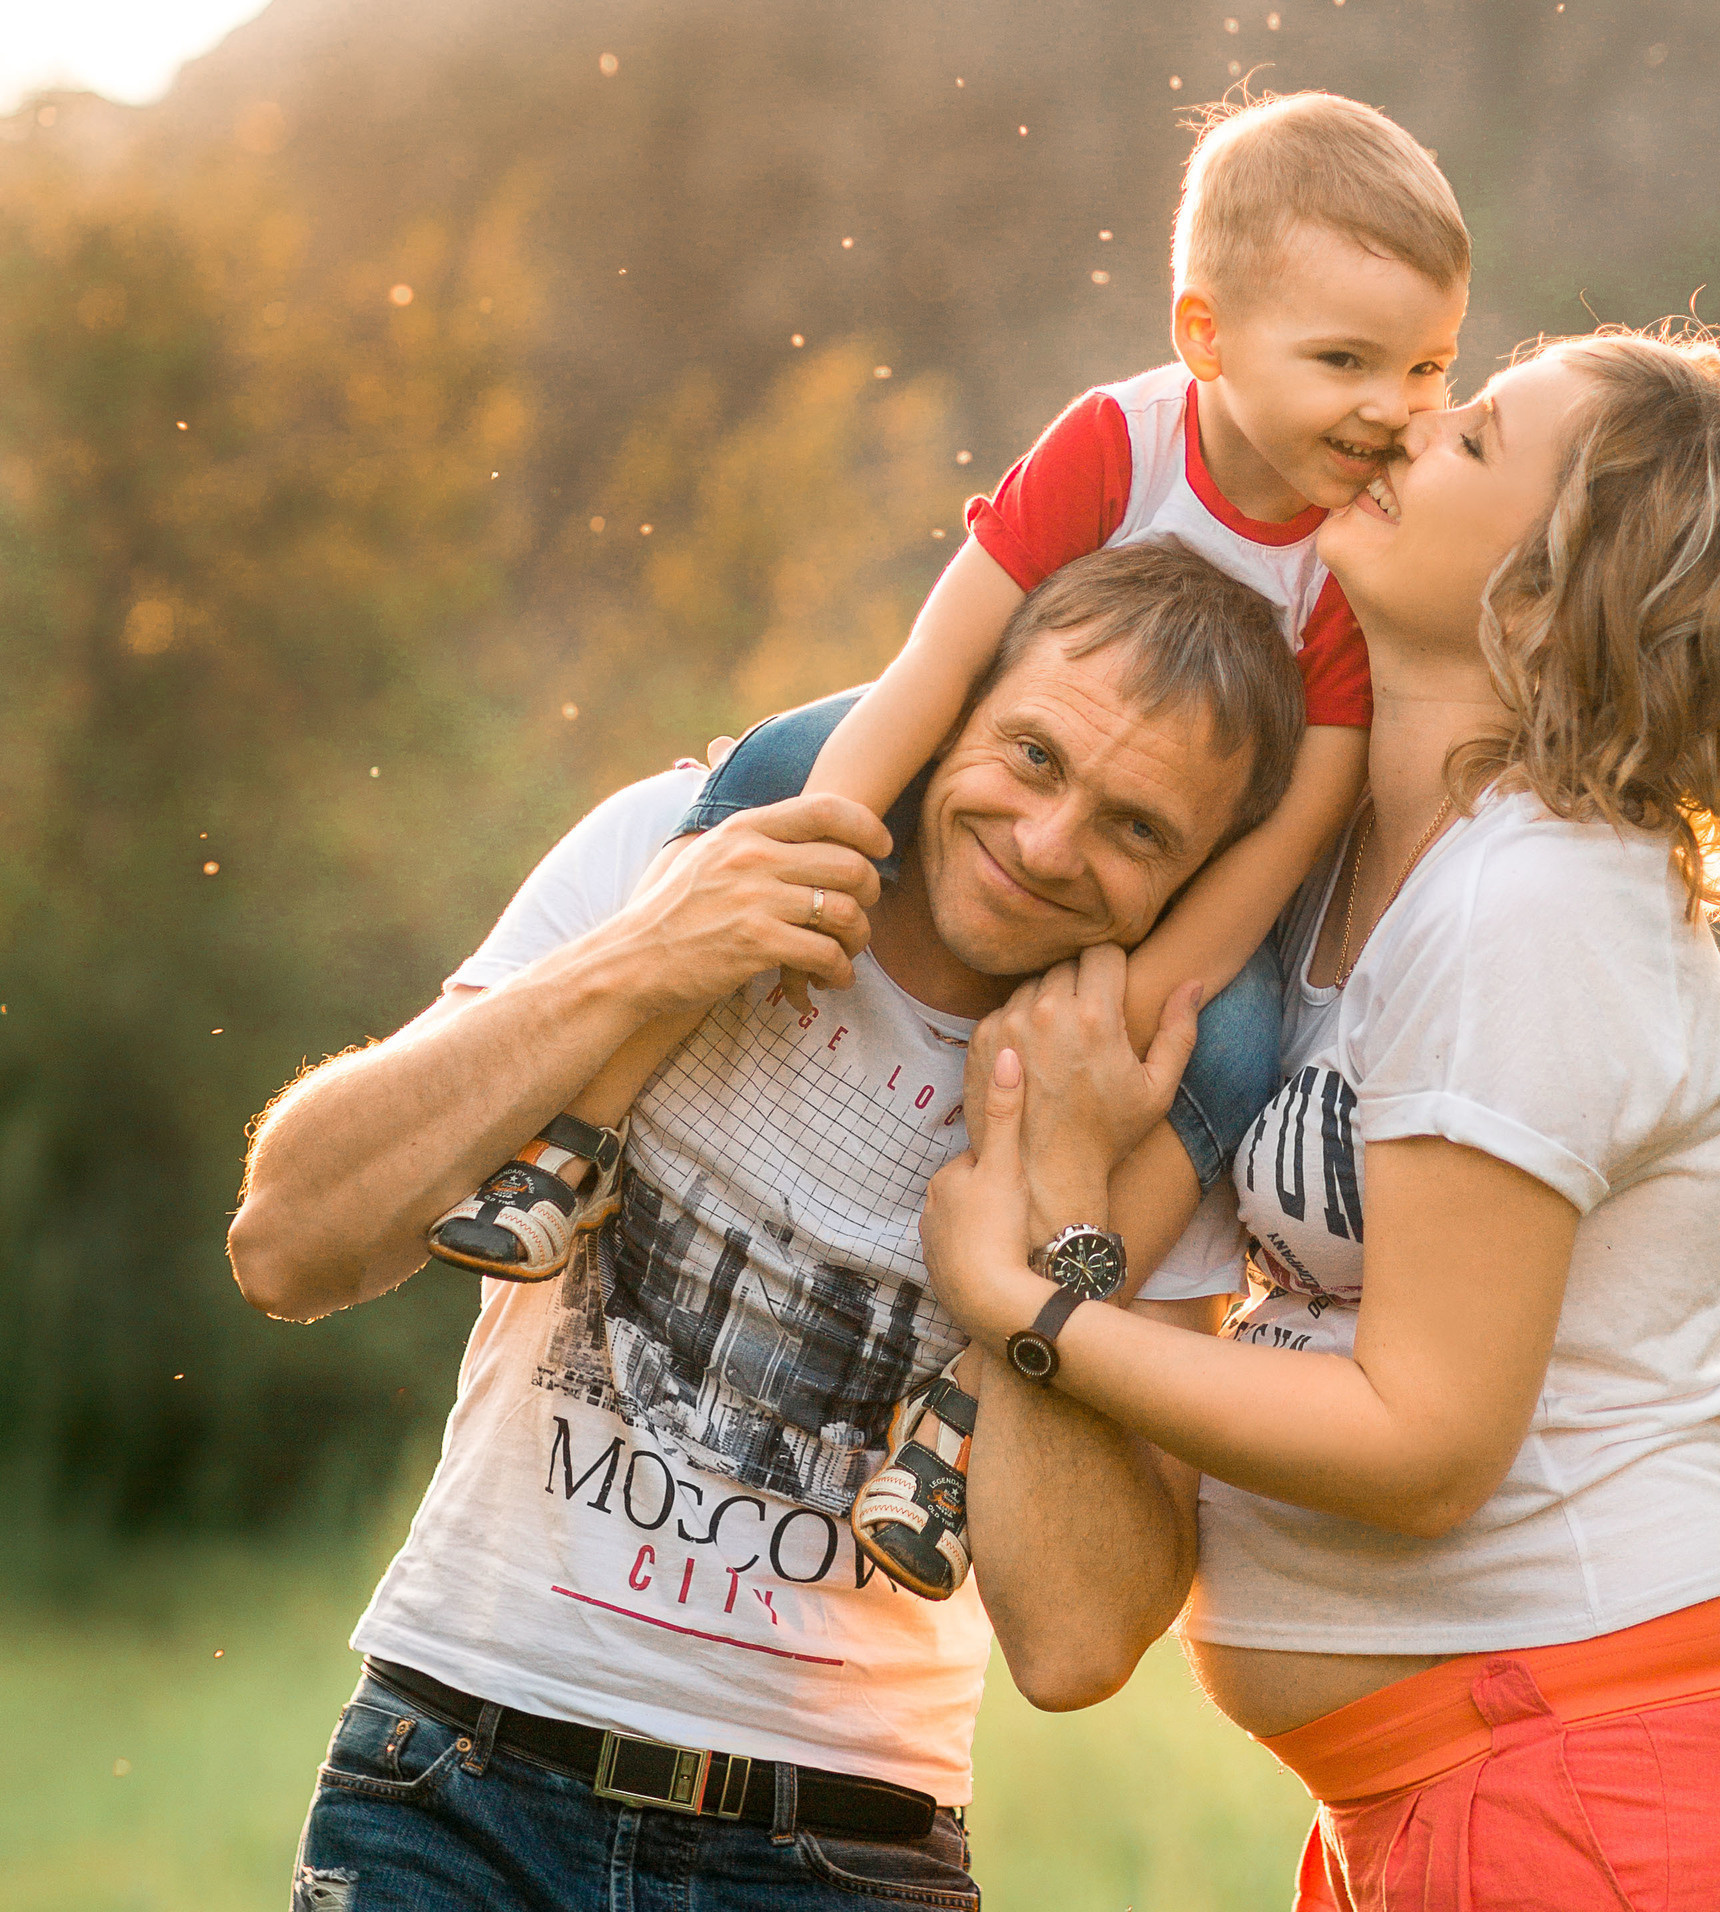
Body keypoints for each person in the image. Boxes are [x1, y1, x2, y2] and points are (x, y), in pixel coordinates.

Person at [920, 324, 1720, 1911]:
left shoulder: (1535, 901)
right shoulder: (1329, 880)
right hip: (1449, 1786)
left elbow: (1426, 1445)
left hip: (1596, 1780)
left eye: (1473, 434)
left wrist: (1030, 1309)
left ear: (1552, 600)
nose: (1406, 428)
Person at [226, 540, 1303, 1911]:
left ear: (1198, 881)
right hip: (458, 1782)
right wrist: (643, 957)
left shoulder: (1157, 1098)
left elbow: (1079, 1644)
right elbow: (287, 1246)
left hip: (845, 1851)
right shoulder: (681, 844)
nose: (1046, 844)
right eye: (1032, 755)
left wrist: (1066, 1201)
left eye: (1136, 828)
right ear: (955, 705)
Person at [423, 86, 1471, 1297]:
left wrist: (1127, 1004)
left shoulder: (1354, 549)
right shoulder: (1118, 442)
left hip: (1186, 858)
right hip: (1006, 743)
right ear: (1207, 336)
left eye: (1427, 368)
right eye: (1344, 361)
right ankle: (578, 1136)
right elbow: (939, 659)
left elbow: (1293, 832)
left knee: (1228, 1050)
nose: (1392, 409)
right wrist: (816, 850)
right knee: (770, 783)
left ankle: (1024, 1332)